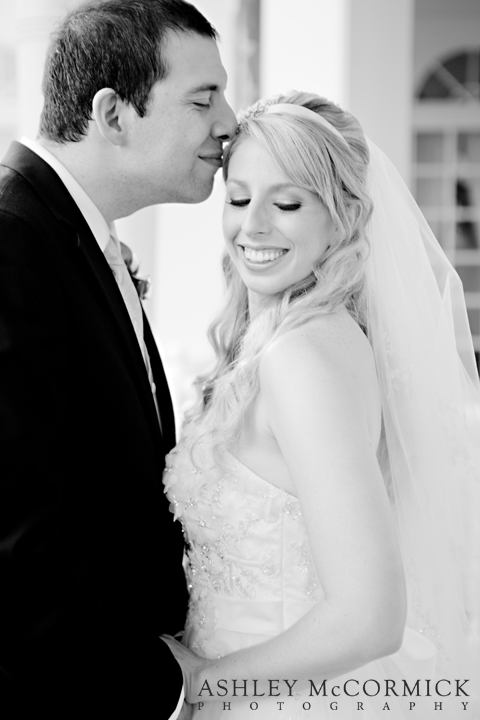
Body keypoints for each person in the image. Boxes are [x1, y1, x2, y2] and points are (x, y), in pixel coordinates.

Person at [162, 92, 480, 718]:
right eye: (238, 199)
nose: (253, 226)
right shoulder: (312, 336)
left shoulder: (299, 357)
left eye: (286, 204)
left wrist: (203, 685)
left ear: (342, 218)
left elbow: (370, 618)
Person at [0, 1, 236, 718]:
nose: (228, 122)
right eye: (203, 99)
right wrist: (158, 683)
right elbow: (14, 535)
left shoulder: (69, 235)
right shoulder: (12, 240)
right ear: (112, 113)